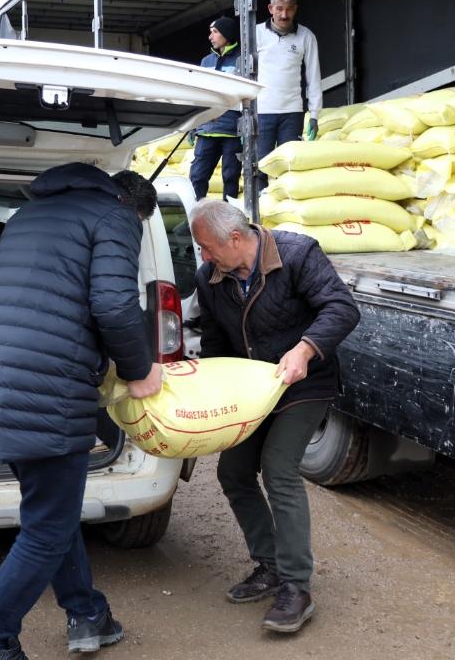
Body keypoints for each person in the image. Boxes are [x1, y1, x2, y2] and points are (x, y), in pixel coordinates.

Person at [0, 166, 163, 660]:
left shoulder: (30, 213)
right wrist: (139, 370)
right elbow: (113, 305)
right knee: (47, 529)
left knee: (53, 512)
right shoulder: (115, 216)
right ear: (135, 207)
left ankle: (88, 613)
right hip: (47, 384)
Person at [189, 199, 360, 634]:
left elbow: (342, 308)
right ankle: (268, 564)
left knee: (279, 467)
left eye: (207, 248)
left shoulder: (297, 253)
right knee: (233, 472)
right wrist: (212, 396)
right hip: (251, 391)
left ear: (234, 238)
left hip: (305, 383)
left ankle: (296, 587)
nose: (204, 257)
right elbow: (214, 342)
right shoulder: (210, 278)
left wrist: (305, 349)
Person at [255, 0, 322, 166]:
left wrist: (315, 114)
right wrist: (241, 115)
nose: (284, 15)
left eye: (289, 9)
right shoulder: (256, 34)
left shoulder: (306, 36)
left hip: (292, 112)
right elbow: (244, 76)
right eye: (279, 9)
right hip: (262, 112)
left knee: (290, 165)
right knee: (261, 165)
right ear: (270, 9)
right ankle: (261, 195)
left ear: (295, 9)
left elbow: (313, 77)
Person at [189, 16, 244, 200]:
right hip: (206, 130)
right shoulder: (206, 61)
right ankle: (195, 217)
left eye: (215, 32)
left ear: (226, 34)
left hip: (232, 131)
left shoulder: (242, 60)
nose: (210, 37)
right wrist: (193, 124)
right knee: (197, 177)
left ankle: (228, 222)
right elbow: (199, 94)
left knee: (230, 177)